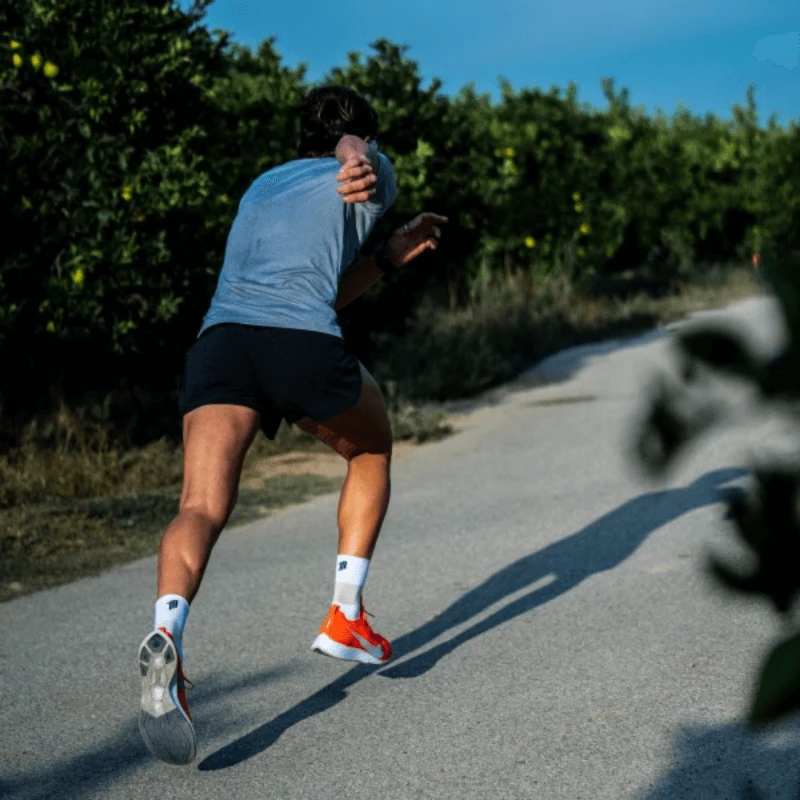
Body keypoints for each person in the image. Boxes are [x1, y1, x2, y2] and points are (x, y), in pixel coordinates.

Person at [137, 85, 448, 766]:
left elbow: (321, 290)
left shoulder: (262, 187)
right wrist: (357, 151)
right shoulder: (369, 167)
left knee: (199, 506)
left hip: (220, 344)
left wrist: (386, 258)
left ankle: (167, 634)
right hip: (297, 344)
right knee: (371, 448)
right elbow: (361, 162)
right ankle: (346, 614)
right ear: (360, 137)